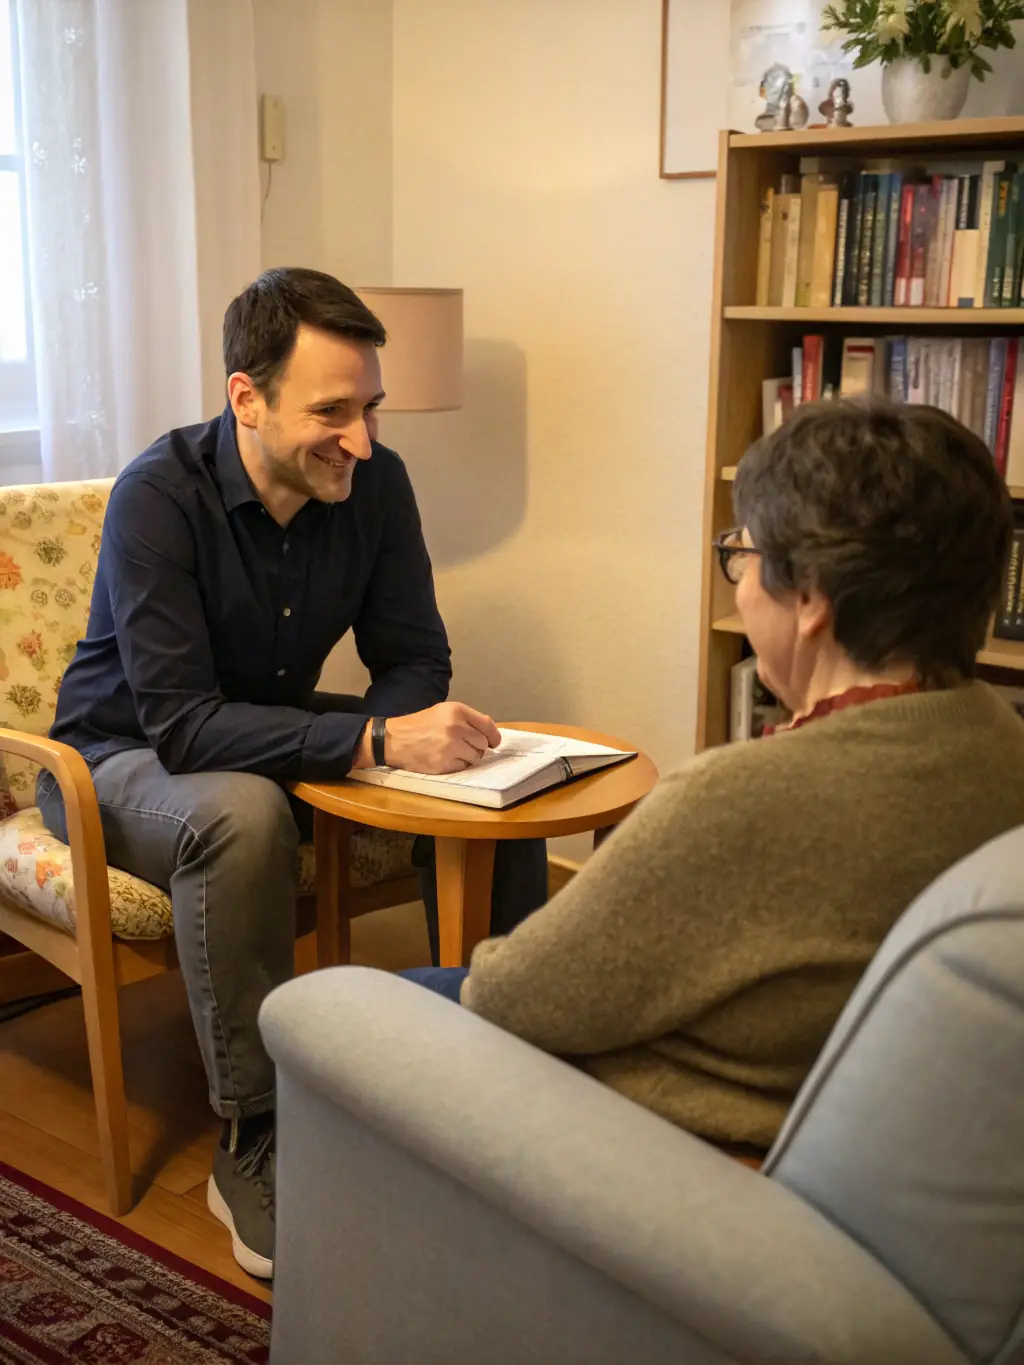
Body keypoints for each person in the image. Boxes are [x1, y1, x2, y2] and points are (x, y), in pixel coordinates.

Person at [39, 267, 548, 1278]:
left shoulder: (376, 483)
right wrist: (369, 745)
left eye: (368, 408)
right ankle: (255, 1130)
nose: (359, 439)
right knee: (240, 813)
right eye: (331, 411)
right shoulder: (159, 495)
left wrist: (405, 745)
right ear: (246, 398)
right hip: (116, 756)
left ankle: (508, 1063)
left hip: (258, 726)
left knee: (493, 766)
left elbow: (413, 658)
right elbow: (182, 724)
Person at [405, 399, 1024, 1155]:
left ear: (810, 599)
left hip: (677, 1153)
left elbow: (511, 997)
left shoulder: (744, 799)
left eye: (744, 555)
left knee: (366, 1000)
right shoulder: (1003, 747)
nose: (738, 583)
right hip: (856, 1130)